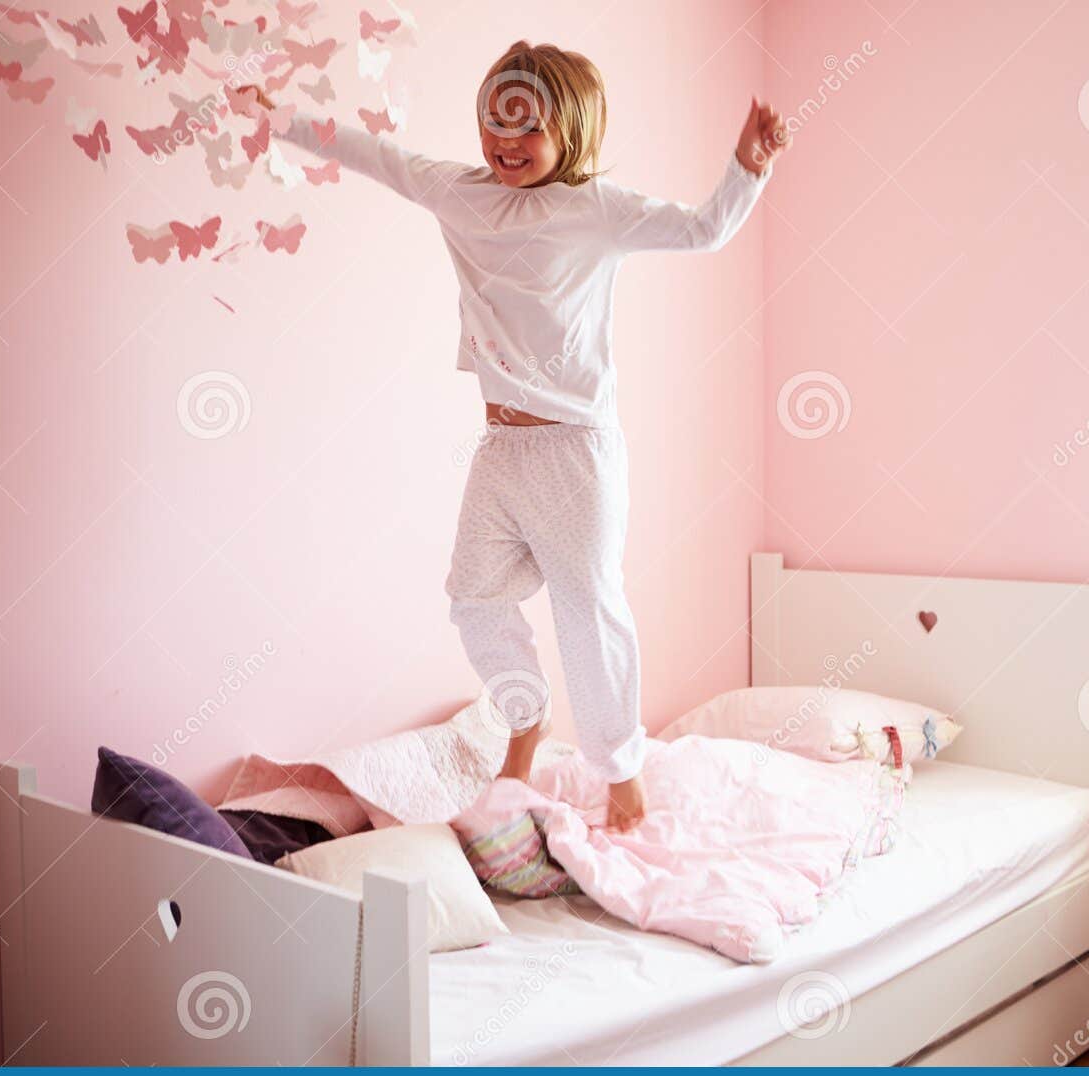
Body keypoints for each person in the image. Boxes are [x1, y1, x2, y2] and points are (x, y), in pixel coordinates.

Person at [240, 40, 788, 832]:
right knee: (472, 600)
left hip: (575, 451)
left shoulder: (597, 210)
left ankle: (621, 773)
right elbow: (374, 154)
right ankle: (525, 718)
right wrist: (280, 118)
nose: (506, 140)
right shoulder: (459, 193)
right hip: (501, 450)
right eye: (495, 120)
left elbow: (703, 229)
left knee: (587, 611)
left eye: (527, 126)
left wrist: (748, 165)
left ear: (570, 130)